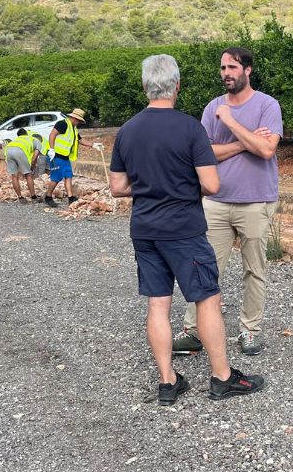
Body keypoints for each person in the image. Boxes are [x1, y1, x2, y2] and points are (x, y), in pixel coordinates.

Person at [109, 54, 265, 404]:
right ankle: (222, 377)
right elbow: (210, 184)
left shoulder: (128, 130)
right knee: (208, 300)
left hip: (145, 230)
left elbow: (118, 186)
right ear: (177, 86)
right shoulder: (189, 128)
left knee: (157, 305)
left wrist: (151, 184)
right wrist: (177, 183)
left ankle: (168, 382)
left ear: (144, 86)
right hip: (184, 229)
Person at [175, 47, 282, 357]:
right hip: (216, 202)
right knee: (205, 268)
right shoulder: (212, 108)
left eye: (232, 67)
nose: (226, 73)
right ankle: (194, 331)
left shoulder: (267, 105)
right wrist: (244, 141)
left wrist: (231, 123)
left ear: (247, 70)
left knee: (254, 269)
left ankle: (250, 331)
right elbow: (204, 154)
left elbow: (266, 150)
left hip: (255, 201)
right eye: (222, 68)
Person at [44, 108, 88, 207]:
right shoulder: (62, 124)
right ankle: (48, 196)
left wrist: (93, 145)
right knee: (56, 177)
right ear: (74, 118)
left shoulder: (74, 129)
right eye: (79, 121)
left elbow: (80, 140)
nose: (79, 123)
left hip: (65, 156)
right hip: (55, 155)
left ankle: (70, 198)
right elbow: (52, 135)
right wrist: (51, 149)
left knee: (68, 176)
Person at [4, 128, 39, 202]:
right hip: (20, 151)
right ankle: (33, 196)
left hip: (8, 150)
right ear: (26, 133)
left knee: (14, 175)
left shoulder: (16, 140)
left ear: (18, 135)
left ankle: (20, 197)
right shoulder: (33, 139)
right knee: (28, 174)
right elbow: (35, 156)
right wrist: (32, 166)